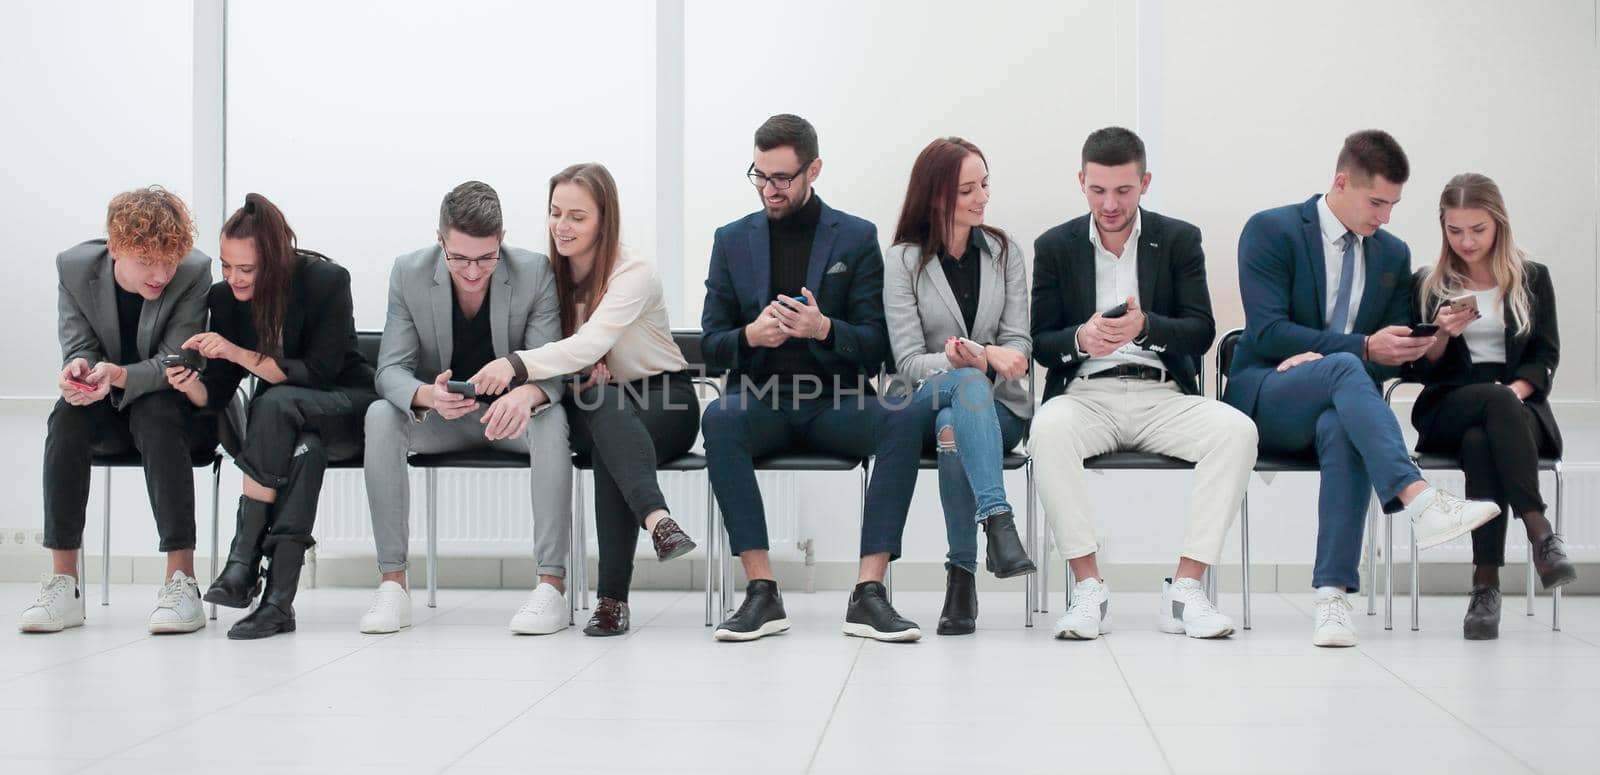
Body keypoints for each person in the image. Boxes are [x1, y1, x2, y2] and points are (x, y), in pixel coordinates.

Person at [1225, 130, 1502, 647]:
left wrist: (1430, 338)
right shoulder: (1272, 229)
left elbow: (1388, 350)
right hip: (1268, 393)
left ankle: (1332, 597)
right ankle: (1418, 498)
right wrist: (1358, 349)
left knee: (1343, 418)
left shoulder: (1392, 253)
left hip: (1340, 402)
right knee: (1349, 367)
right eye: (1377, 202)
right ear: (1341, 182)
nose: (1385, 217)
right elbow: (1264, 331)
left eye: (1394, 205)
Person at [700, 113, 928, 642]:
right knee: (719, 419)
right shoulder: (732, 240)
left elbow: (876, 346)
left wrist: (824, 328)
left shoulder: (854, 236)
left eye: (782, 177)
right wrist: (751, 337)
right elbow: (712, 345)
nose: (769, 189)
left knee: (903, 417)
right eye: (759, 175)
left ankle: (869, 593)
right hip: (760, 398)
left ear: (814, 170)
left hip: (836, 400)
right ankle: (762, 592)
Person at [1030, 127, 1255, 640]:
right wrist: (1083, 339)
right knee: (1048, 431)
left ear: (1145, 182)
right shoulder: (1056, 246)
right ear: (1081, 181)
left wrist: (1146, 327)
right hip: (1087, 394)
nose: (1110, 204)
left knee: (1236, 431)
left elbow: (1200, 332)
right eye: (1098, 190)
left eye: (1124, 191)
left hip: (1162, 394)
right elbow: (1041, 341)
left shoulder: (1178, 239)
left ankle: (1186, 589)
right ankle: (1088, 588)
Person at [470, 163, 700, 636]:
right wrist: (567, 377)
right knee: (604, 408)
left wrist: (514, 364)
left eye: (577, 216)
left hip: (663, 398)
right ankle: (657, 521)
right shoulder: (546, 275)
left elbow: (587, 345)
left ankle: (613, 600)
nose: (562, 226)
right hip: (590, 400)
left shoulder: (632, 273)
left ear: (604, 220)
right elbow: (567, 359)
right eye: (556, 213)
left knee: (608, 428)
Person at [359, 181, 572, 636]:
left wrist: (524, 394)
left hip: (513, 420)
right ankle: (392, 585)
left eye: (486, 257)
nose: (473, 271)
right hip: (443, 419)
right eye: (459, 258)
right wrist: (427, 397)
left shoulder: (534, 272)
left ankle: (551, 586)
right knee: (380, 414)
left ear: (502, 240)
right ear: (440, 241)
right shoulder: (408, 273)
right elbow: (389, 371)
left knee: (552, 417)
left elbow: (550, 369)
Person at [174, 193, 377, 639]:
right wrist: (191, 383)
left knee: (274, 402)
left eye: (247, 269)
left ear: (277, 260)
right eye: (226, 266)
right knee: (306, 451)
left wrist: (236, 351)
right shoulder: (224, 299)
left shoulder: (326, 280)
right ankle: (277, 603)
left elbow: (319, 373)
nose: (234, 278)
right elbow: (222, 389)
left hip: (346, 403)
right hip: (289, 425)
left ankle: (243, 560)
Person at [21, 186, 215, 634]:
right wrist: (78, 370)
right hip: (104, 404)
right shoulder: (73, 268)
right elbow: (78, 345)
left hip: (170, 405)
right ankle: (64, 583)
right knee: (65, 418)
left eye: (169, 259)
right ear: (115, 247)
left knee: (157, 413)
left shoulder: (193, 272)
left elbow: (176, 361)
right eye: (147, 260)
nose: (162, 273)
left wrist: (121, 375)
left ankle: (181, 580)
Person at [1408, 173, 1574, 640]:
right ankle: (1541, 533)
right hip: (1449, 404)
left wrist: (1513, 393)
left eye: (1477, 229)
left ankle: (1485, 588)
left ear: (1498, 224)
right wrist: (1441, 334)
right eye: (1455, 230)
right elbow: (1422, 370)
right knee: (1485, 415)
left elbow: (1545, 353)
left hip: (1518, 407)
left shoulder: (1532, 277)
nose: (1466, 241)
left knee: (1484, 439)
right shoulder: (1428, 282)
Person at [882, 136, 1036, 636]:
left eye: (985, 184)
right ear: (934, 197)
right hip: (923, 400)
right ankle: (998, 521)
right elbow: (906, 363)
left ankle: (961, 578)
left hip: (996, 409)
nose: (981, 198)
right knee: (961, 386)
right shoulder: (904, 260)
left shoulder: (1004, 252)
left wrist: (988, 358)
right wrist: (958, 361)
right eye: (967, 189)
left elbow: (1017, 343)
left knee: (957, 423)